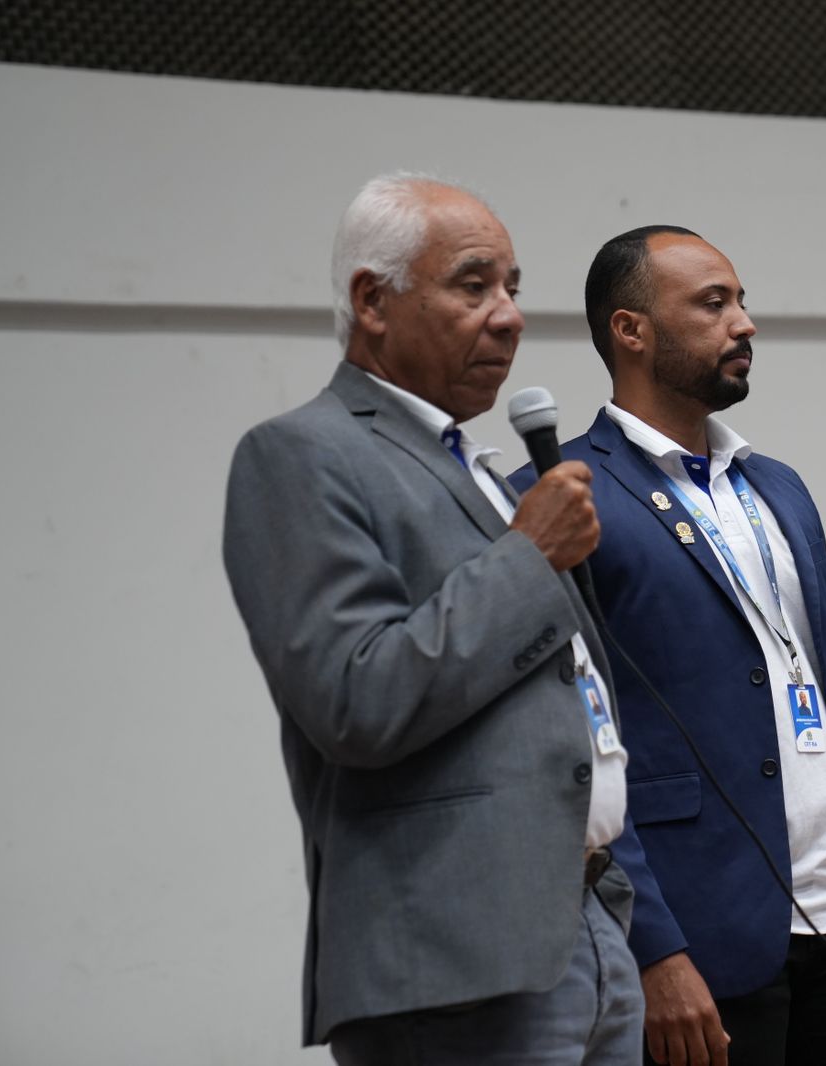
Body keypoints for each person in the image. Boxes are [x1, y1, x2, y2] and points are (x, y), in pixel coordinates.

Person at [222, 173, 642, 1065]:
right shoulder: (301, 453)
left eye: (513, 288)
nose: (510, 317)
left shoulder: (471, 466)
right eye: (473, 285)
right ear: (373, 301)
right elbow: (355, 700)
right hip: (455, 962)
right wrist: (528, 557)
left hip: (589, 925)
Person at [511, 226, 826, 1065]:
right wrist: (651, 949)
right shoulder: (561, 495)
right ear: (632, 330)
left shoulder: (777, 486)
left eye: (742, 302)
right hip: (698, 934)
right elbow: (566, 748)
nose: (743, 323)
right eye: (713, 304)